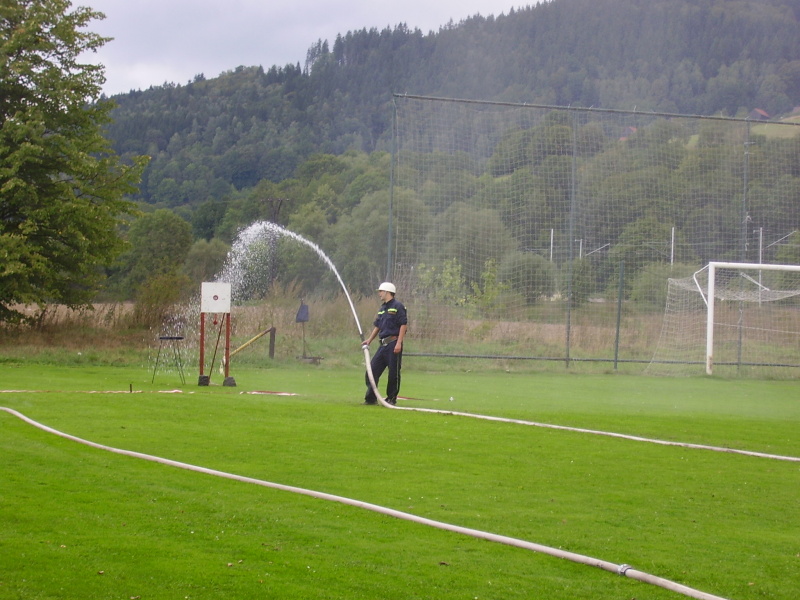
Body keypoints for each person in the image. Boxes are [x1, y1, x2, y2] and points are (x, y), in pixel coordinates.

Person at [361, 281, 407, 405]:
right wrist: (369, 340)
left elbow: (403, 325)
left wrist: (399, 343)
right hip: (383, 345)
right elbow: (378, 326)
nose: (379, 294)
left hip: (393, 343)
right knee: (372, 371)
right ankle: (371, 398)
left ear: (387, 292)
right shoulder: (382, 309)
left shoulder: (398, 306)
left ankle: (391, 398)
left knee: (393, 373)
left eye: (381, 291)